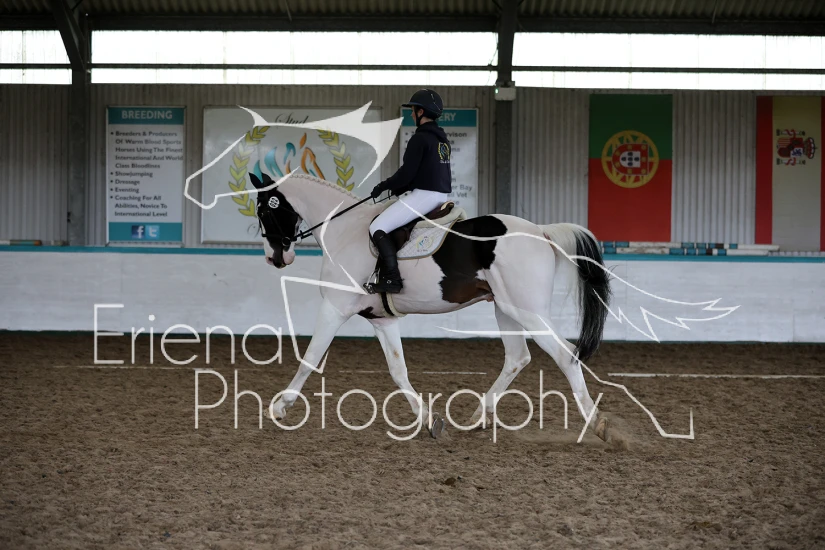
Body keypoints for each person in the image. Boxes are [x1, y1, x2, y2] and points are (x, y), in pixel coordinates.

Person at [367, 89, 453, 294]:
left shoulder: (420, 138)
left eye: (413, 111)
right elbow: (422, 173)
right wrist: (400, 188)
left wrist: (383, 186)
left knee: (377, 226)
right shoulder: (441, 139)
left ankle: (392, 278)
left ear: (421, 112)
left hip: (425, 195)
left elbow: (406, 174)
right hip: (440, 196)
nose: (412, 114)